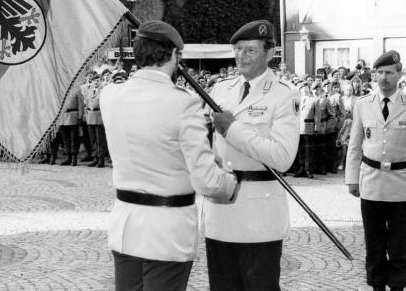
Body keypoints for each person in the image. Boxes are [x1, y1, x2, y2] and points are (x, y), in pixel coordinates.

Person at [100, 20, 238, 291]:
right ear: (176, 56)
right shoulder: (183, 103)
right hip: (167, 234)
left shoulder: (110, 95)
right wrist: (230, 181)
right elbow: (207, 182)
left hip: (125, 227)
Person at [204, 20, 300, 291]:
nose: (240, 56)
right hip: (221, 211)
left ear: (269, 54)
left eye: (249, 50)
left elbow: (283, 157)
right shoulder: (221, 89)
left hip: (260, 215)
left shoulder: (284, 95)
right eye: (237, 49)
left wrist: (232, 129)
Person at [345, 50, 406, 291]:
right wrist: (352, 180)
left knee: (398, 246)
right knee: (373, 244)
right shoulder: (363, 105)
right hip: (371, 184)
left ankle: (397, 286)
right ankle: (376, 286)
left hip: (401, 186)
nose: (383, 77)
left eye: (388, 72)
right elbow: (354, 146)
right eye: (379, 72)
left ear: (399, 74)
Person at [295, 82, 315, 178]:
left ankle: (308, 169)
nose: (305, 90)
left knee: (308, 150)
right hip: (298, 128)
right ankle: (301, 168)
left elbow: (317, 115)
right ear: (300, 90)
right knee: (300, 149)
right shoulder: (296, 100)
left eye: (307, 88)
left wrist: (317, 128)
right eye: (303, 88)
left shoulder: (313, 100)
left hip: (308, 127)